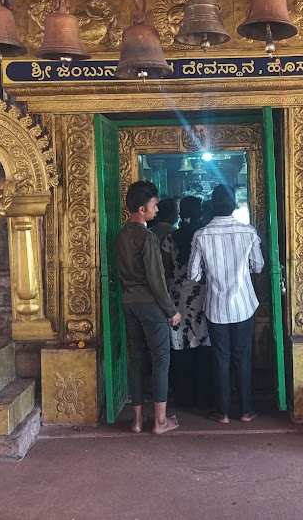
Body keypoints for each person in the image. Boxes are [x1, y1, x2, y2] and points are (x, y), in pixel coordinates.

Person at [188, 184, 264, 424]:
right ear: (233, 206)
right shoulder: (248, 232)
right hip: (243, 305)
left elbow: (193, 275)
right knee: (242, 355)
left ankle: (222, 412)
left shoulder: (201, 235)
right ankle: (246, 410)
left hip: (216, 307)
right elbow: (259, 266)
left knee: (220, 357)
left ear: (212, 207)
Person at [114, 181, 181, 434]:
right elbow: (156, 279)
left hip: (129, 303)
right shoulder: (148, 237)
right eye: (153, 206)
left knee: (136, 360)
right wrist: (171, 310)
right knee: (161, 360)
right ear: (141, 209)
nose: (156, 210)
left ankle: (138, 421)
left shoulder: (121, 236)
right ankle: (161, 422)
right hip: (150, 305)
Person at [161, 196, 213, 409]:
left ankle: (183, 398)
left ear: (180, 213)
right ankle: (204, 397)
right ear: (200, 212)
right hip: (201, 297)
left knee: (180, 346)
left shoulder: (170, 239)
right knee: (202, 344)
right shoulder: (203, 237)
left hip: (177, 298)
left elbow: (164, 271)